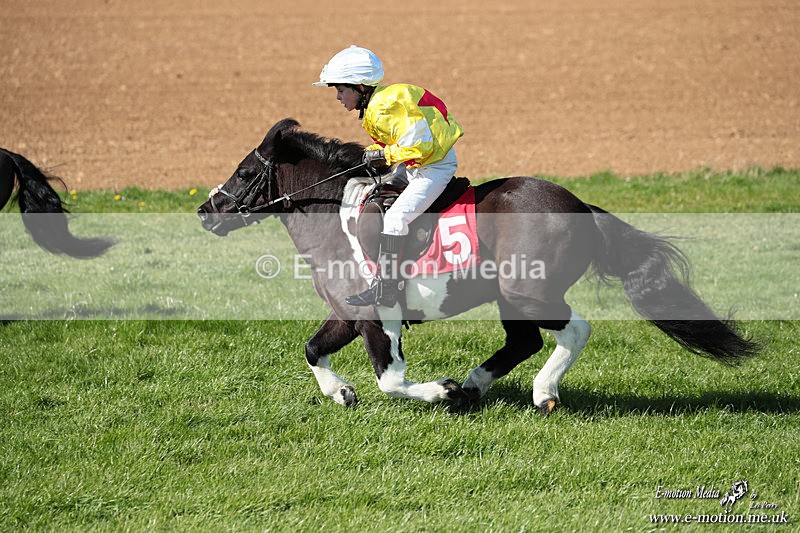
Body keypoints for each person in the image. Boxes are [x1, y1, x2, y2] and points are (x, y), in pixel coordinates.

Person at [313, 45, 464, 307]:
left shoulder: (385, 106)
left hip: (434, 167)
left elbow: (421, 146)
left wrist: (385, 156)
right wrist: (376, 152)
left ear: (360, 87)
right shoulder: (377, 104)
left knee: (395, 218)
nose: (338, 97)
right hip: (416, 165)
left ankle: (388, 289)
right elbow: (399, 142)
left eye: (340, 90)